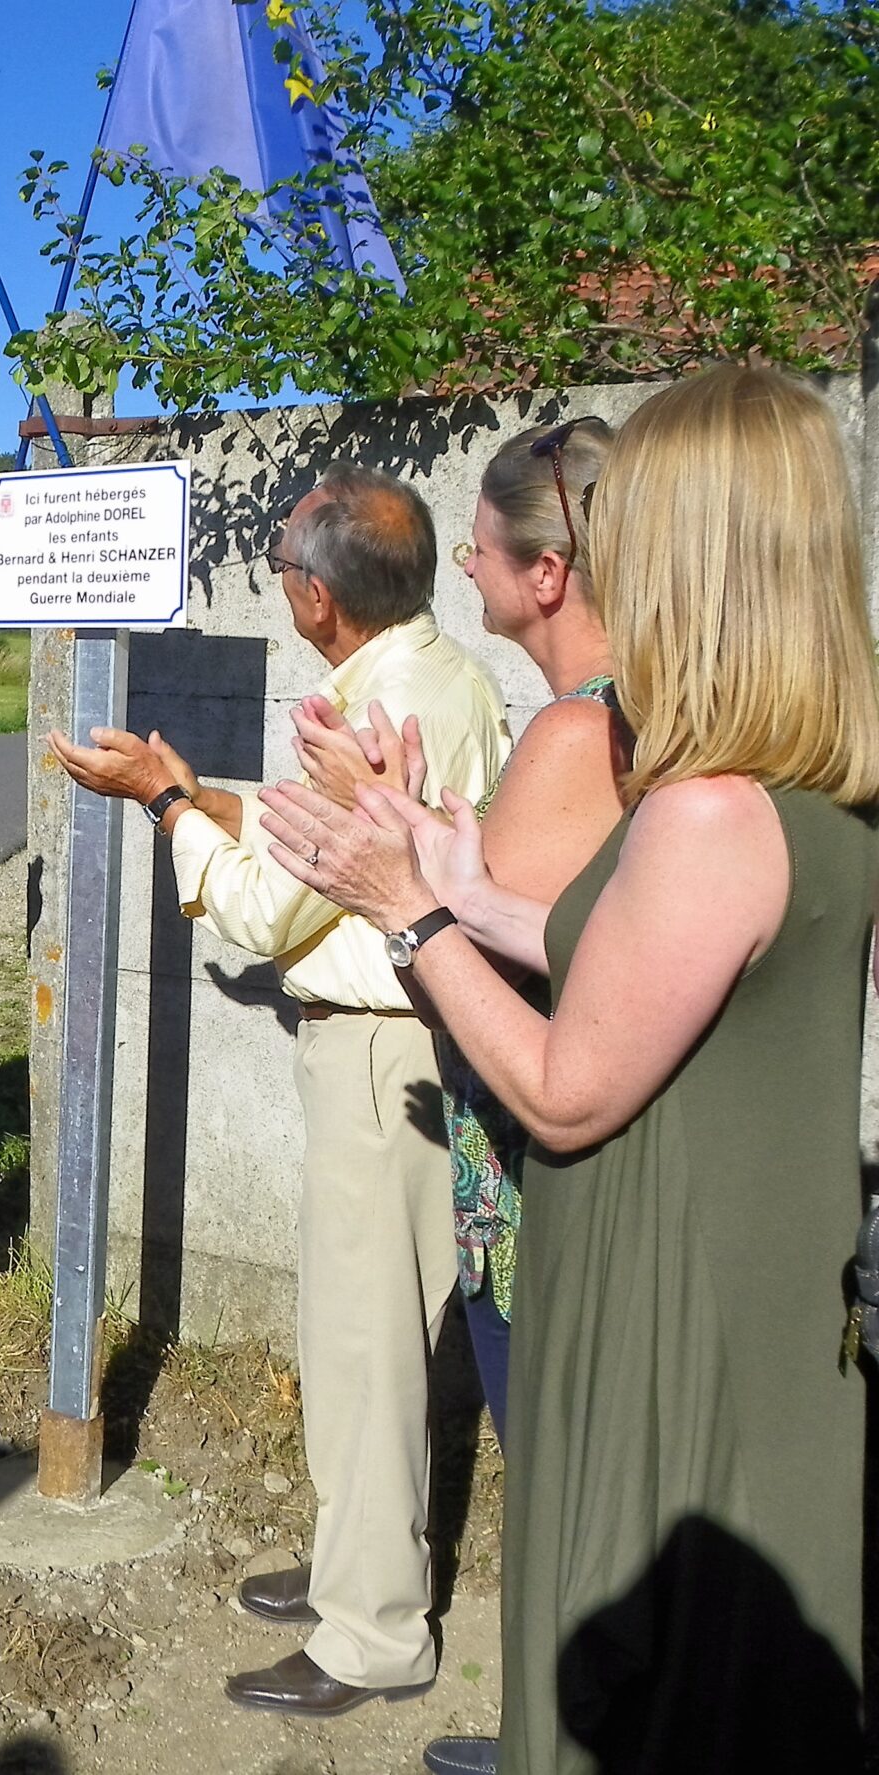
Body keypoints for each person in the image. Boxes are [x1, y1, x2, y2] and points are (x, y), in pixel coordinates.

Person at [258, 365, 875, 1774]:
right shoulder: (819, 778)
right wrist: (449, 867)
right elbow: (646, 959)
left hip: (667, 1314)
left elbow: (563, 1083)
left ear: (696, 551)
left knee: (635, 1686)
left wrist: (397, 908)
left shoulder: (708, 806)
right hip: (763, 1297)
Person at [48, 465, 510, 1718]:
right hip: (406, 1036)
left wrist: (161, 804)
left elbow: (260, 908)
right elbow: (295, 836)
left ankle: (372, 1633)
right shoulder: (440, 678)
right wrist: (201, 791)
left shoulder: (369, 716)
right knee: (354, 1331)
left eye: (286, 573)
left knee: (363, 1345)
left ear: (315, 596)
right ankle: (357, 1562)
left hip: (377, 1046)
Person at [290, 418, 625, 1447]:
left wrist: (387, 858)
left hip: (528, 1155)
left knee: (543, 1436)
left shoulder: (574, 731)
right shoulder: (617, 708)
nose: (464, 563)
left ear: (548, 571)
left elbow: (477, 970)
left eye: (480, 544)